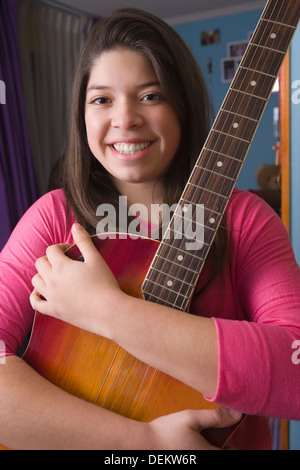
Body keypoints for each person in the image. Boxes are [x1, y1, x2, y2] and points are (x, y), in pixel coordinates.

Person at [0, 8, 299, 450]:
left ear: (182, 104)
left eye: (151, 96)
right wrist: (145, 440)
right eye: (102, 99)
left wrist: (107, 310)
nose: (126, 120)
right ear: (81, 115)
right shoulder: (53, 218)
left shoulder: (244, 221)